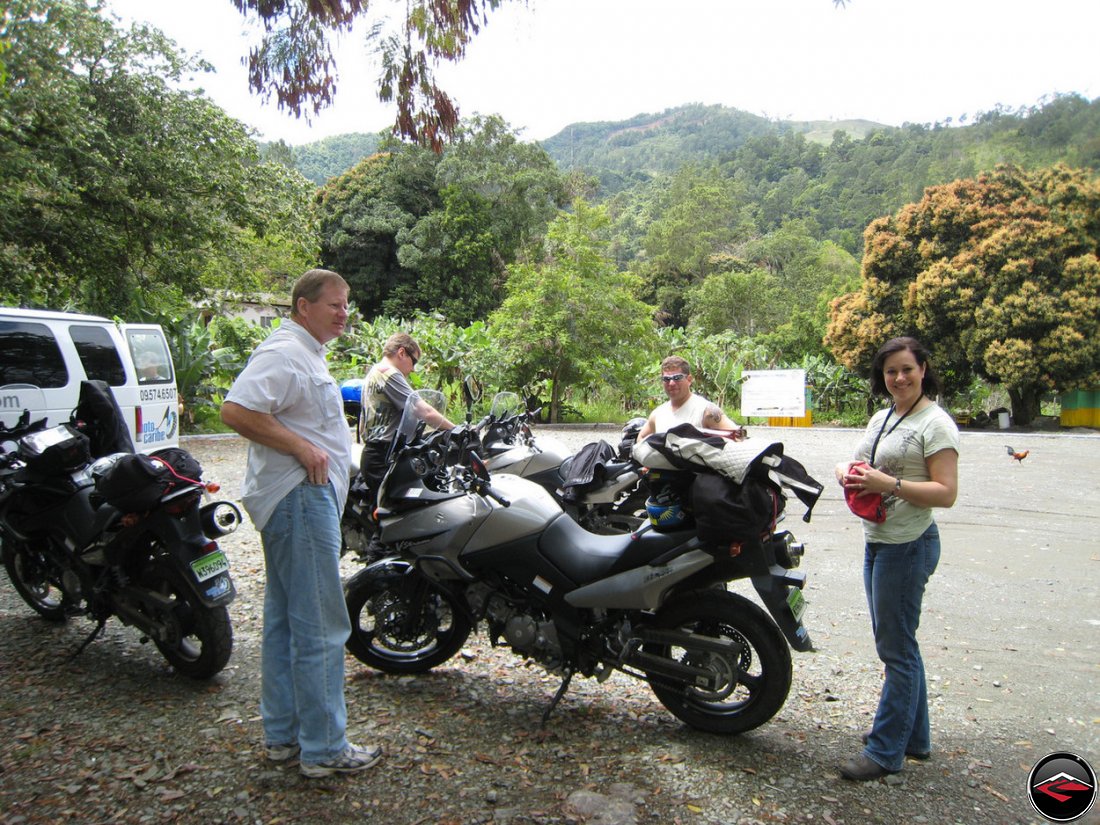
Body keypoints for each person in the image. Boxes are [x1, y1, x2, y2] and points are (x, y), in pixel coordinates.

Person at [221, 269, 382, 779]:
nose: (343, 313)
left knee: (287, 620)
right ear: (302, 305)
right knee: (321, 624)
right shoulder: (284, 351)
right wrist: (302, 447)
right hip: (299, 499)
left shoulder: (306, 351)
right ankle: (325, 747)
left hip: (299, 501)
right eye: (334, 304)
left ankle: (284, 736)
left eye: (345, 305)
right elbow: (236, 409)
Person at [834, 336, 960, 781]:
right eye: (891, 371)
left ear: (923, 369)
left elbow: (946, 493)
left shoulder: (936, 424)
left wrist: (890, 486)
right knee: (900, 641)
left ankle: (886, 751)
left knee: (896, 649)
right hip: (878, 539)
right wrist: (846, 470)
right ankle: (916, 739)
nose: (899, 378)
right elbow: (863, 461)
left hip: (908, 544)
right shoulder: (883, 415)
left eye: (907, 368)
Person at [358, 332, 455, 501]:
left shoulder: (375, 372)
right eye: (414, 361)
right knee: (404, 518)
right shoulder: (389, 373)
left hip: (378, 454)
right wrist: (456, 429)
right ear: (402, 353)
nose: (413, 369)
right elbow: (424, 411)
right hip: (384, 456)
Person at [635, 355, 740, 443]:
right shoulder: (657, 414)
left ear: (689, 379)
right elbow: (641, 439)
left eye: (677, 378)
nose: (671, 383)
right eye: (666, 379)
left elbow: (737, 437)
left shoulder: (706, 411)